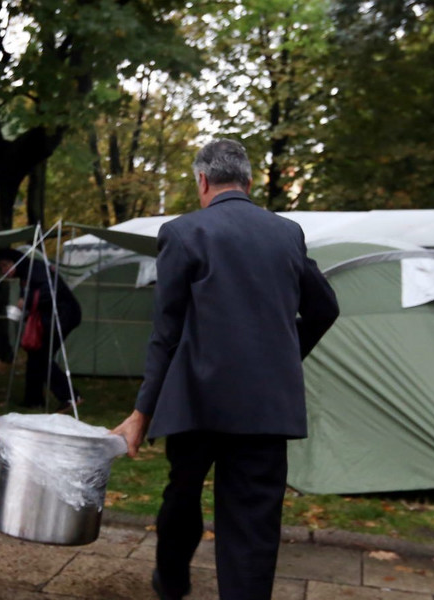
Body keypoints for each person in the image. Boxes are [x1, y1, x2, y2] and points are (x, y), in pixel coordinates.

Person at [112, 140, 339, 600]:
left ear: (202, 181)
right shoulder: (286, 232)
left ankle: (171, 580)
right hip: (266, 406)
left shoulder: (182, 232)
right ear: (249, 182)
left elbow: (167, 333)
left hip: (198, 399)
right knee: (253, 522)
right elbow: (325, 308)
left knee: (183, 493)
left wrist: (143, 412)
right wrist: (284, 356)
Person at [0, 247, 83, 412]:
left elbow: (49, 291)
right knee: (35, 356)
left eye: (6, 265)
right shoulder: (26, 273)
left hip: (63, 316)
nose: (4, 271)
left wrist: (26, 301)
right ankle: (33, 400)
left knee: (42, 357)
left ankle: (70, 396)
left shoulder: (36, 269)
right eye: (1, 267)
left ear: (16, 262)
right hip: (51, 318)